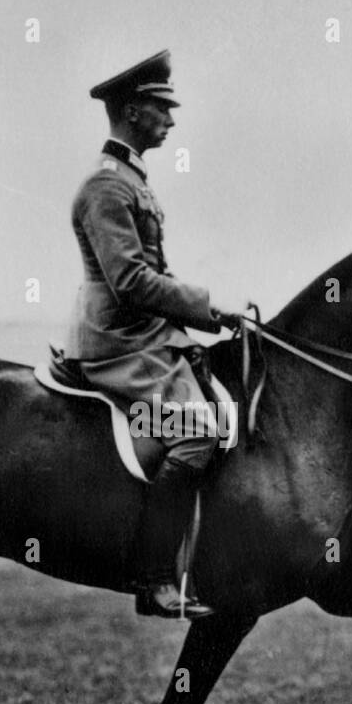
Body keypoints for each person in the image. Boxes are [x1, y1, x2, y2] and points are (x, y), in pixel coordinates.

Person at [67, 49, 241, 619]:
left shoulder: (132, 181)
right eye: (162, 109)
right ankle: (154, 579)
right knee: (196, 433)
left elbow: (152, 274)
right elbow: (130, 280)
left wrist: (206, 320)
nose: (171, 120)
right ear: (133, 111)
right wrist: (207, 308)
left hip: (148, 335)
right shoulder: (106, 187)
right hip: (120, 340)